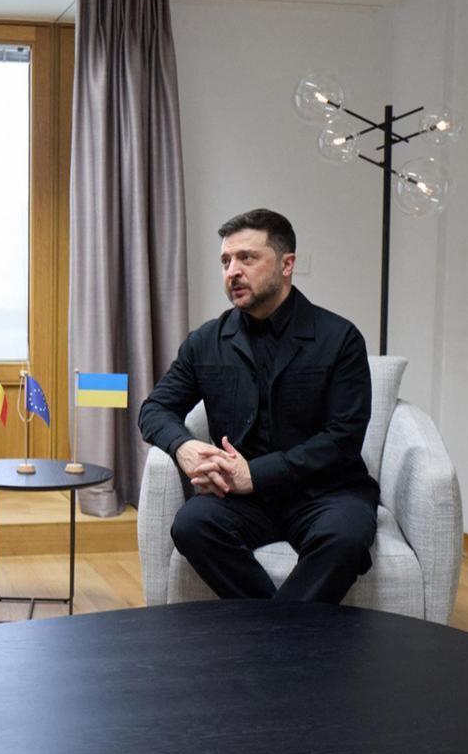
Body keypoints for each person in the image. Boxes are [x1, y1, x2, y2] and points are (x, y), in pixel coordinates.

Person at [138, 208, 378, 604]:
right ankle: (285, 640)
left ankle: (267, 645)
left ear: (287, 265)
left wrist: (258, 473)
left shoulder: (339, 338)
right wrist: (184, 447)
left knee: (345, 538)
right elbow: (154, 409)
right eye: (225, 261)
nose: (232, 271)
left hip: (326, 492)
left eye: (247, 258)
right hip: (240, 498)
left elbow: (343, 439)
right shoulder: (206, 341)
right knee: (192, 525)